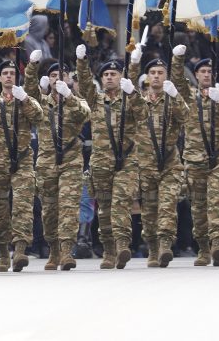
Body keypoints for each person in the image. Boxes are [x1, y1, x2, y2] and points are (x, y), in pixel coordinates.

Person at [76, 40, 146, 269]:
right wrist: (81, 61)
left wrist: (133, 93)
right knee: (104, 209)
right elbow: (85, 82)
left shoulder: (130, 98)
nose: (109, 77)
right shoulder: (95, 100)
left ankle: (122, 244)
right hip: (101, 163)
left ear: (121, 77)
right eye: (105, 74)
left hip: (126, 162)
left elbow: (144, 114)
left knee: (121, 203)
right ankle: (108, 250)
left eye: (113, 74)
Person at [0, 47, 43, 272]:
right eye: (4, 73)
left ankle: (21, 250)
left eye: (12, 73)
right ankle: (4, 253)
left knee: (23, 204)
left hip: (22, 160)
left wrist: (25, 98)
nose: (8, 76)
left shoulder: (25, 98)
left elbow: (38, 116)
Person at [25, 53, 90, 270]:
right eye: (53, 75)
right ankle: (53, 249)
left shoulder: (76, 100)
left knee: (69, 206)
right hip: (46, 162)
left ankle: (66, 250)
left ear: (69, 78)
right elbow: (29, 95)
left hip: (71, 160)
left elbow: (85, 115)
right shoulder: (42, 102)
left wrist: (69, 96)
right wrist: (32, 67)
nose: (57, 79)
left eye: (61, 75)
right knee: (50, 210)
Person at [179, 55, 219, 266]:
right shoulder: (188, 95)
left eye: (209, 72)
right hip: (194, 160)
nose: (206, 75)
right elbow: (177, 80)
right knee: (198, 206)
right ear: (196, 75)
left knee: (217, 201)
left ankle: (217, 243)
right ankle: (203, 248)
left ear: (214, 75)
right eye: (202, 72)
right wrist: (177, 59)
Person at [128, 47, 188, 267]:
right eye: (152, 73)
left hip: (170, 164)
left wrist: (176, 95)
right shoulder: (139, 102)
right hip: (146, 165)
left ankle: (165, 245)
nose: (156, 76)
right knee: (149, 211)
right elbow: (128, 90)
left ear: (166, 77)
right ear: (147, 77)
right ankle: (153, 248)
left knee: (167, 205)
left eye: (160, 73)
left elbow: (186, 116)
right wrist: (134, 64)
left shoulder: (172, 99)